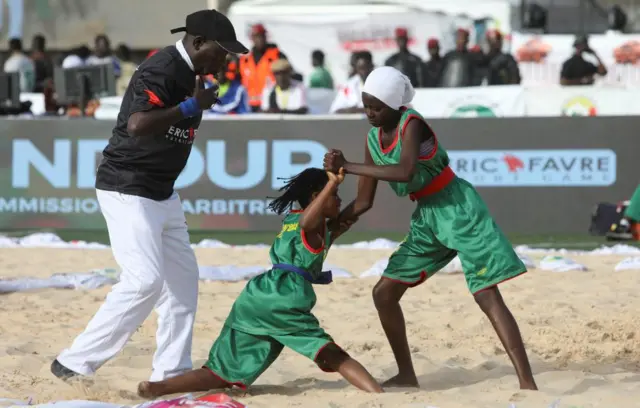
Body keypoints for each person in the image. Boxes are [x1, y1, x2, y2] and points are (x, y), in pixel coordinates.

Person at [50, 9, 249, 383]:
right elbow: (138, 125)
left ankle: (170, 372)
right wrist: (192, 106)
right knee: (144, 281)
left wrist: (195, 102)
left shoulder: (193, 73)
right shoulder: (162, 68)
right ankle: (74, 363)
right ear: (199, 42)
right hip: (128, 187)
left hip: (161, 192)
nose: (227, 60)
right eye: (222, 52)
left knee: (183, 283)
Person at [323, 66, 538, 391]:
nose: (370, 112)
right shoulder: (373, 138)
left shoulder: (413, 124)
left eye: (376, 107)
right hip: (428, 216)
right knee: (384, 292)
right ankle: (407, 374)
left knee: (485, 293)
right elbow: (364, 201)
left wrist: (348, 165)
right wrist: (330, 232)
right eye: (366, 105)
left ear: (395, 105)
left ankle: (527, 382)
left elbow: (406, 171)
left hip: (459, 207)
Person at [136, 168, 383, 398]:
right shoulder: (312, 224)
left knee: (219, 371)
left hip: (256, 295)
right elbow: (309, 222)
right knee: (333, 355)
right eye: (335, 195)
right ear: (317, 196)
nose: (339, 200)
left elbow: (362, 203)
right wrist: (332, 182)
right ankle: (379, 397)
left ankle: (157, 387)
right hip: (284, 297)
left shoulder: (300, 221)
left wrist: (364, 166)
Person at [239, 23, 289, 112]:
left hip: (270, 104)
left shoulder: (277, 55)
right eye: (257, 36)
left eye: (262, 36)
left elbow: (288, 74)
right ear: (252, 38)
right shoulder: (244, 60)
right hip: (248, 105)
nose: (260, 39)